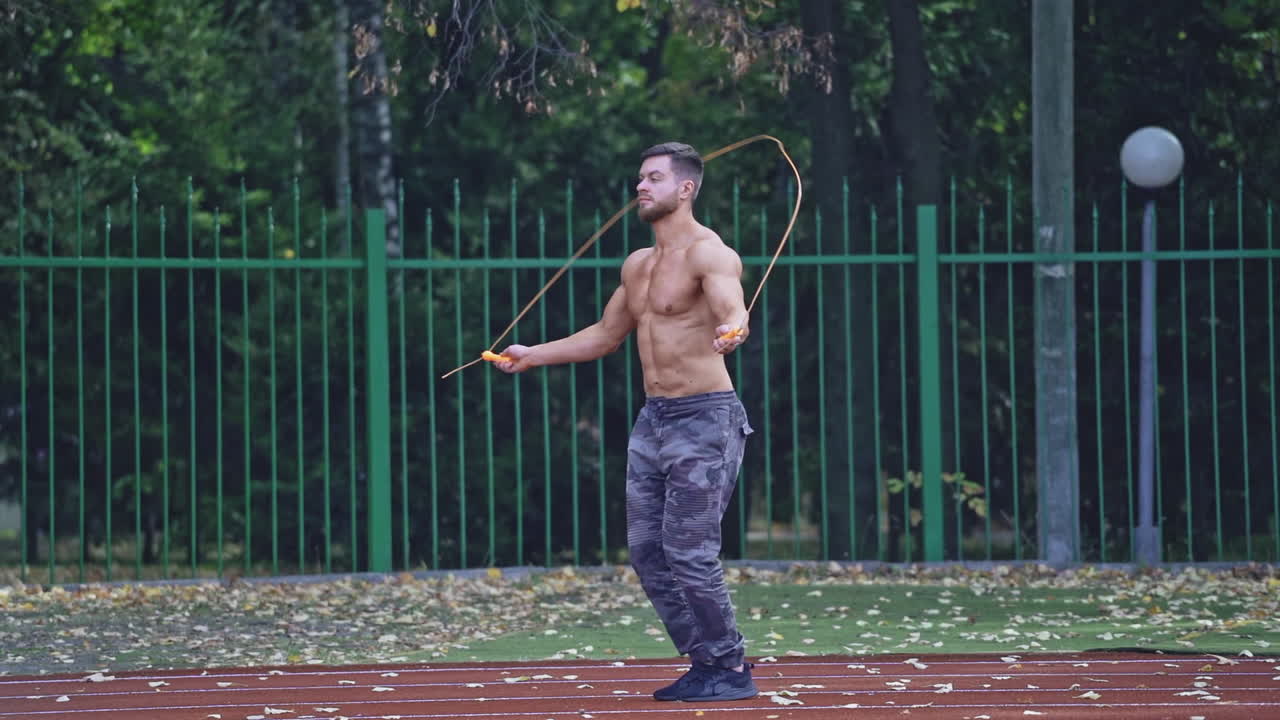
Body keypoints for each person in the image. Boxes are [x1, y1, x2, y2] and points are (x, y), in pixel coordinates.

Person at [492, 141, 757, 702]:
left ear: (685, 189)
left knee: (689, 550)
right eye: (641, 177)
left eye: (655, 178)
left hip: (706, 418)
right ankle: (707, 660)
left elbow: (731, 305)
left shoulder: (711, 254)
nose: (641, 186)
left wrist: (734, 328)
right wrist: (532, 353)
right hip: (653, 421)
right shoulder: (638, 265)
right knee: (646, 551)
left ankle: (730, 666)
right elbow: (606, 336)